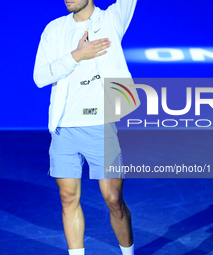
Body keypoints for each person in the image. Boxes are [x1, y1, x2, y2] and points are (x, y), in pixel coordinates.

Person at [33, 0, 138, 254]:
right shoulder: (54, 29)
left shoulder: (112, 20)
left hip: (100, 126)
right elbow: (40, 77)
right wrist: (77, 55)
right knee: (68, 199)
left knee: (113, 199)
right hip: (64, 128)